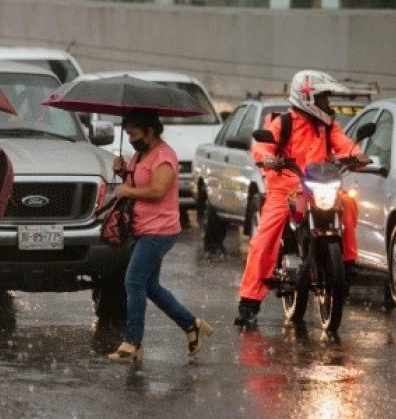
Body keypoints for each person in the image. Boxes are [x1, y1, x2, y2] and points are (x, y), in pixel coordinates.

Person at [234, 70, 369, 326]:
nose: (327, 104)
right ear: (307, 98)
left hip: (318, 186)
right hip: (284, 190)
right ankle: (248, 301)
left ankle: (347, 263)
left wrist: (358, 155)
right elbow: (262, 147)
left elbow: (345, 145)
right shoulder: (282, 123)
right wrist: (268, 158)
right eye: (323, 99)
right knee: (264, 239)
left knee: (349, 202)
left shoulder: (327, 125)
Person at [107, 109, 213, 363]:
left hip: (160, 230)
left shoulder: (164, 156)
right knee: (150, 286)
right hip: (143, 228)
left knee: (133, 281)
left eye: (133, 133)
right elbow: (136, 181)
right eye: (128, 134)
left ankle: (133, 342)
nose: (130, 139)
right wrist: (123, 172)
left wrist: (128, 191)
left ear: (150, 131)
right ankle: (192, 325)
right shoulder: (141, 154)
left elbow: (157, 190)